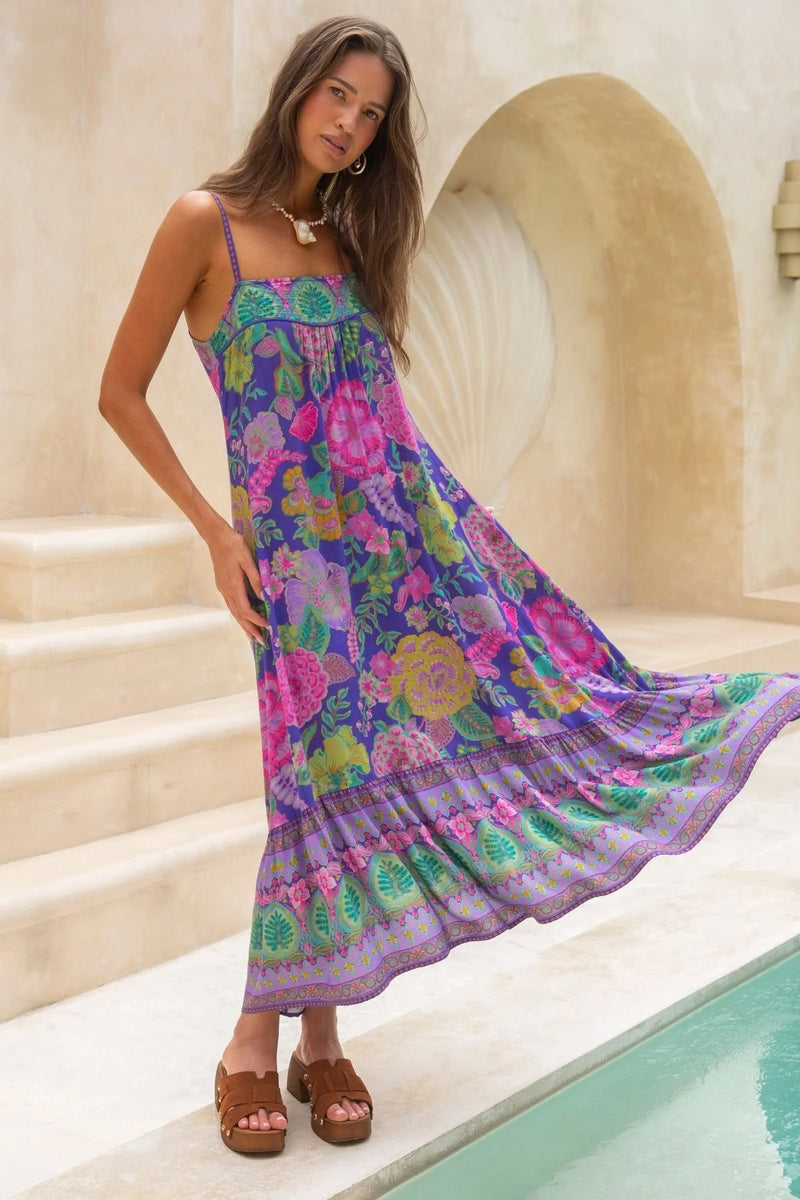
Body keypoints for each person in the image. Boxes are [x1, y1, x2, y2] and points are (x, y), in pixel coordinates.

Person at [98, 14, 800, 1158]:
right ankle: (251, 1041)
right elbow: (117, 392)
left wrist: (463, 549)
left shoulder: (348, 245)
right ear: (295, 92)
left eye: (370, 113)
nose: (347, 123)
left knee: (411, 754)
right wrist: (212, 529)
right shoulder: (203, 227)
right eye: (335, 94)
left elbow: (387, 430)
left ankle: (313, 1043)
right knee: (313, 780)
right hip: (293, 572)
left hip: (399, 555)